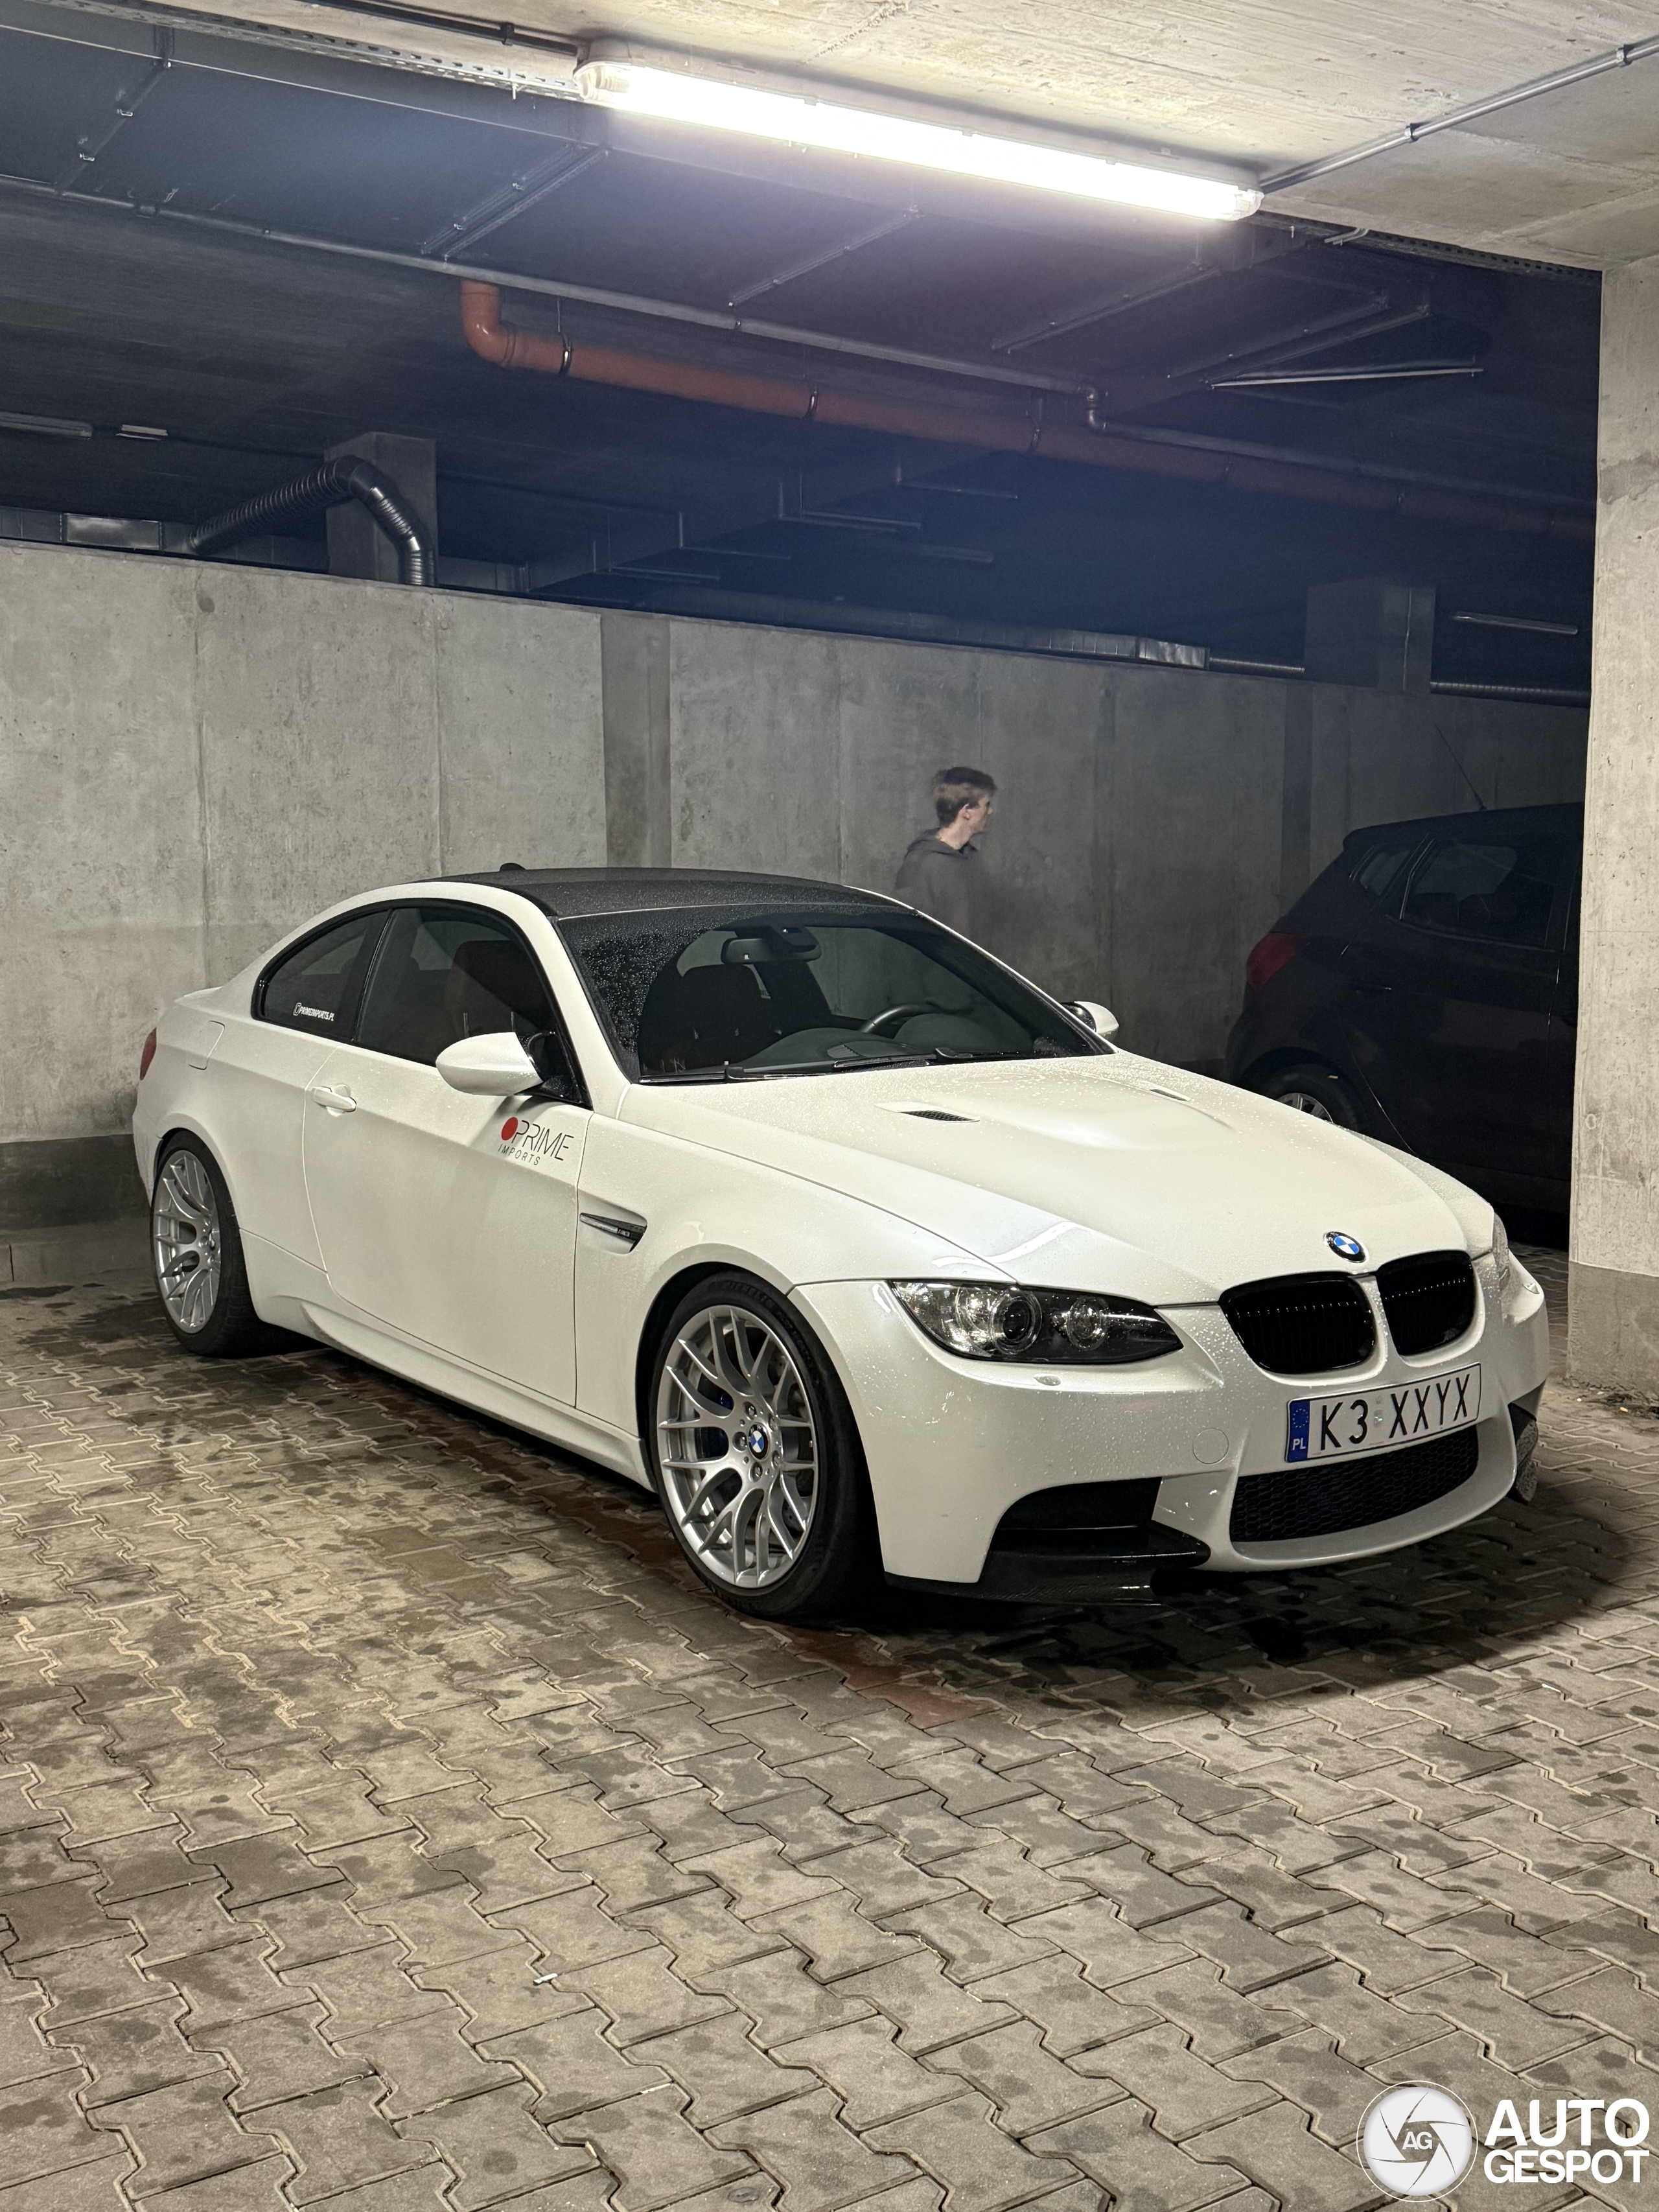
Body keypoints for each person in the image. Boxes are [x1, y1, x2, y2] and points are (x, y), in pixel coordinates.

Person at [894, 766, 997, 940]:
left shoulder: (971, 859)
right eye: (986, 804)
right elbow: (908, 933)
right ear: (967, 812)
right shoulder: (921, 864)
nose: (990, 811)